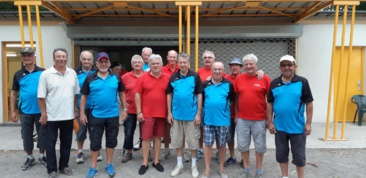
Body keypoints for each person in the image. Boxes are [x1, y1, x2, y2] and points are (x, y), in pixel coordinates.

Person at [80, 52, 127, 178]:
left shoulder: (116, 76)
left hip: (112, 116)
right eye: (101, 61)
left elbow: (122, 93)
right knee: (95, 143)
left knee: (111, 141)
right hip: (96, 116)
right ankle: (93, 167)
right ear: (96, 64)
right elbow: (84, 96)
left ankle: (109, 164)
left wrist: (125, 109)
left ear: (109, 63)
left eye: (106, 61)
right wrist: (82, 114)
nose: (104, 64)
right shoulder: (90, 78)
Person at [267, 55, 313, 178]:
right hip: (279, 127)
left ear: (295, 66)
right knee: (281, 154)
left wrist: (308, 123)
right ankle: (285, 176)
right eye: (284, 65)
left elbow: (309, 102)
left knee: (299, 156)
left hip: (297, 127)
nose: (287, 68)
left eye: (289, 65)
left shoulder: (302, 82)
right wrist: (270, 122)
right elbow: (270, 103)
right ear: (280, 68)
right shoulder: (274, 83)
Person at [37, 48, 79, 178]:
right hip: (51, 116)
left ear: (67, 58)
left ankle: (63, 166)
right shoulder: (46, 74)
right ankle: (52, 170)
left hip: (68, 115)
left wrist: (75, 108)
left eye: (63, 56)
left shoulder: (72, 73)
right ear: (53, 58)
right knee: (50, 143)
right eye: (58, 56)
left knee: (66, 143)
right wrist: (43, 114)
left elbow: (75, 93)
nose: (61, 58)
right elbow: (41, 96)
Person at [10, 47, 47, 171]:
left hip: (41, 110)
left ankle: (42, 156)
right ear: (22, 58)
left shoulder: (43, 72)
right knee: (26, 135)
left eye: (29, 55)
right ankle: (30, 157)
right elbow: (14, 93)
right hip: (25, 111)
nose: (27, 58)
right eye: (24, 56)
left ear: (34, 57)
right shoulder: (18, 74)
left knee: (43, 134)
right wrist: (12, 111)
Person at [167, 52, 203, 178]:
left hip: (191, 116)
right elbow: (169, 94)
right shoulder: (173, 77)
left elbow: (199, 94)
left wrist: (198, 114)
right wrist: (169, 112)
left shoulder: (195, 76)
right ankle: (179, 165)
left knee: (193, 142)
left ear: (188, 63)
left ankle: (193, 166)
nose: (182, 64)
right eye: (180, 62)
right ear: (178, 63)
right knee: (177, 141)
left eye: (184, 62)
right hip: (176, 116)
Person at [236, 54, 271, 178]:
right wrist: (236, 116)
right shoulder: (239, 79)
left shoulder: (265, 78)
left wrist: (269, 120)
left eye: (251, 64)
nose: (249, 66)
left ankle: (259, 171)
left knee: (260, 146)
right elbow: (236, 98)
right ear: (243, 66)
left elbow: (270, 101)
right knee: (242, 145)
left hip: (260, 119)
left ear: (256, 65)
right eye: (246, 64)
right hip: (242, 118)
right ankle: (246, 169)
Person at [135, 54, 170, 175]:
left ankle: (156, 161)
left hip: (161, 113)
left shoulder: (167, 77)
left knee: (158, 138)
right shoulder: (143, 77)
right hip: (147, 113)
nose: (155, 65)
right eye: (153, 63)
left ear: (161, 64)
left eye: (157, 63)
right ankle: (144, 162)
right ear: (149, 65)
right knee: (145, 138)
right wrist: (139, 111)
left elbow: (171, 95)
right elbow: (137, 94)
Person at [202, 61, 235, 178]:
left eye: (219, 69)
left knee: (221, 145)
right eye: (215, 69)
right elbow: (202, 101)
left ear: (223, 71)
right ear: (211, 70)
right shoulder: (205, 84)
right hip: (208, 120)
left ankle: (221, 168)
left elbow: (231, 101)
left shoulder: (229, 84)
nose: (217, 71)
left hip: (223, 121)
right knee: (207, 145)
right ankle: (207, 170)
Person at [74, 51, 103, 164]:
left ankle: (95, 150)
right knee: (80, 131)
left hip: (95, 107)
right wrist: (75, 109)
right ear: (81, 60)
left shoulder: (97, 72)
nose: (86, 61)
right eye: (84, 59)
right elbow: (73, 92)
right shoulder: (74, 73)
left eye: (89, 59)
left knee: (95, 131)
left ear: (92, 61)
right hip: (81, 107)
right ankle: (80, 151)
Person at [121, 55, 144, 163]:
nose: (137, 64)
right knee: (129, 132)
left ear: (143, 64)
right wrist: (124, 108)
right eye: (135, 62)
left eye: (139, 62)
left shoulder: (147, 75)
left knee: (145, 133)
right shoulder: (125, 77)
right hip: (130, 110)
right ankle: (129, 151)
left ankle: (146, 151)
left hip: (144, 109)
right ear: (132, 65)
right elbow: (121, 94)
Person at [160, 49, 179, 161]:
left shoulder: (181, 69)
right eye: (170, 57)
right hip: (166, 101)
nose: (172, 59)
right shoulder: (162, 70)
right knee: (166, 127)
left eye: (174, 57)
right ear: (167, 58)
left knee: (181, 127)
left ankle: (182, 150)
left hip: (179, 103)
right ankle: (166, 149)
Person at [223, 58, 242, 167]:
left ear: (241, 67)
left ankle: (245, 158)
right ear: (230, 67)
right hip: (228, 114)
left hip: (242, 114)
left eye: (237, 65)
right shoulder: (225, 79)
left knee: (243, 138)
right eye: (232, 65)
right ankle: (232, 156)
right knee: (229, 137)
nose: (234, 67)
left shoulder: (245, 78)